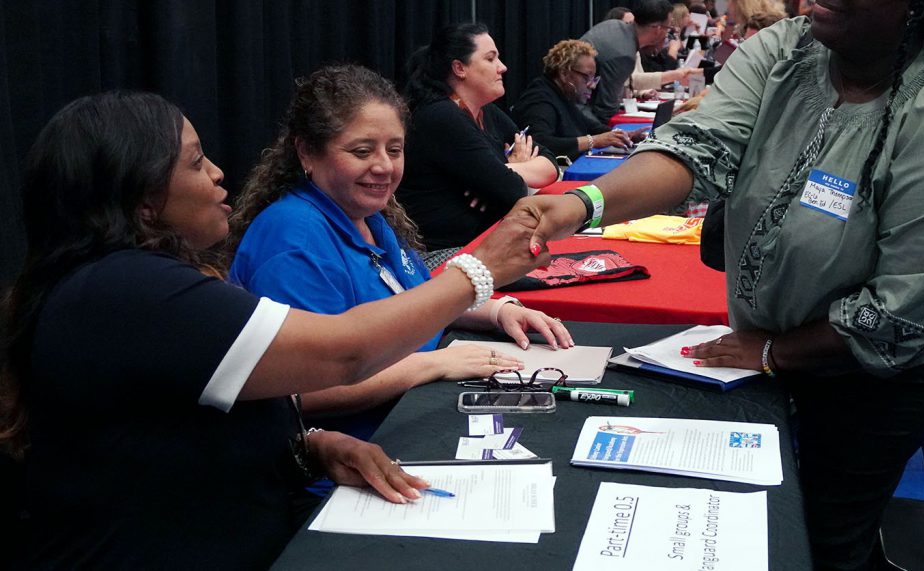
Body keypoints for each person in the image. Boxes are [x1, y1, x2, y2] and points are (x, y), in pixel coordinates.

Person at [510, 0, 924, 570]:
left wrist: (774, 349)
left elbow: (899, 312)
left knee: (830, 522)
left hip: (907, 355)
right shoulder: (788, 48)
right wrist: (581, 206)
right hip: (802, 327)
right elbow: (696, 146)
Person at [0, 91, 545, 568]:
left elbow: (175, 426)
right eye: (195, 162)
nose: (217, 172)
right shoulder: (126, 289)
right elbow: (343, 355)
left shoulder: (118, 285)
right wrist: (481, 270)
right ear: (142, 200)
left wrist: (307, 447)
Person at [229, 64, 572, 440]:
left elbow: (413, 299)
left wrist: (495, 310)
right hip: (355, 452)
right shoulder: (293, 238)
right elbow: (303, 391)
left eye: (395, 150)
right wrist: (433, 364)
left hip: (411, 414)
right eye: (362, 151)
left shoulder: (371, 217)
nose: (384, 166)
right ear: (307, 153)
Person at [397, 22, 558, 261]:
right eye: (491, 59)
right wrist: (497, 179)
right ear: (460, 68)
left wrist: (498, 171)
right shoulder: (440, 115)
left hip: (483, 241)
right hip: (441, 254)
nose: (502, 67)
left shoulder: (487, 112)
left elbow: (551, 165)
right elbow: (511, 191)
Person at [512, 40, 641, 161]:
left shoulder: (562, 95)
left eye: (594, 78)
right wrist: (593, 141)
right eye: (587, 77)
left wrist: (621, 135)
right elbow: (539, 142)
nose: (592, 85)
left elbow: (589, 126)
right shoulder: (539, 99)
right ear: (564, 74)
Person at [581, 0, 692, 125]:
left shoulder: (613, 25)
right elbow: (605, 110)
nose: (668, 35)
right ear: (657, 29)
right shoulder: (623, 54)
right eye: (668, 29)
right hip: (574, 116)